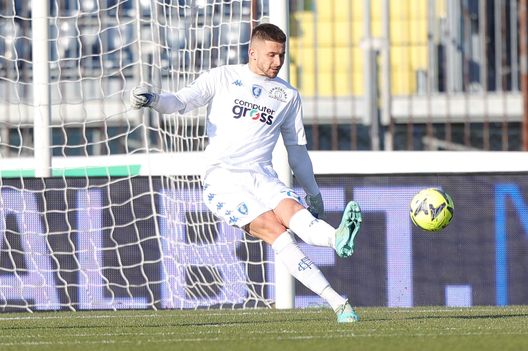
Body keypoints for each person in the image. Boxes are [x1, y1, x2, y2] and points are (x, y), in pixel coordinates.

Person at [130, 23, 362, 323]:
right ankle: (338, 303)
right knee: (278, 233)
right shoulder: (223, 77)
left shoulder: (287, 96)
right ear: (252, 52)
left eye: (281, 55)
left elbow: (297, 151)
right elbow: (180, 101)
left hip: (263, 176)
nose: (277, 62)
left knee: (297, 214)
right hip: (223, 181)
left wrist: (314, 193)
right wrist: (153, 99)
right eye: (271, 55)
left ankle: (337, 239)